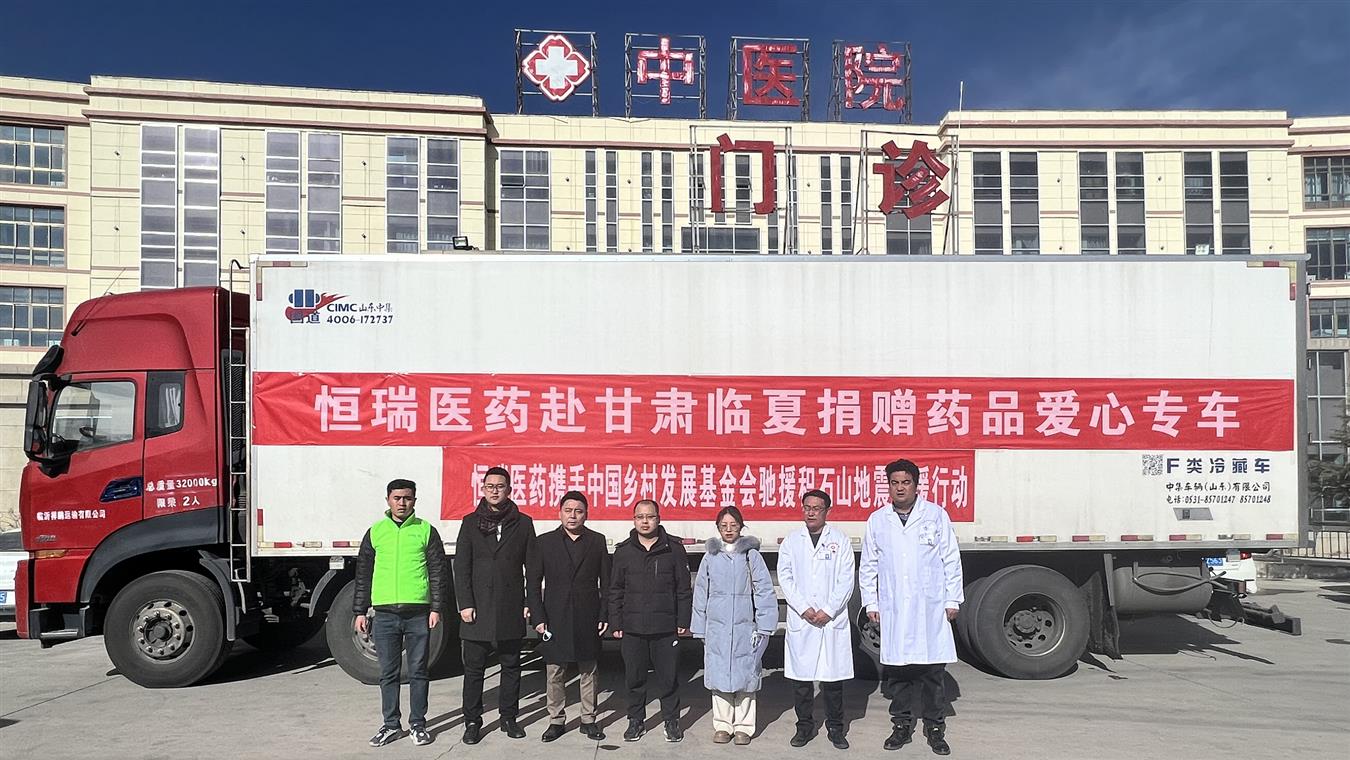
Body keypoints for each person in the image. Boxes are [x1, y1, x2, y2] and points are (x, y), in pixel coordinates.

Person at [859, 459, 964, 755]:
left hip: (929, 607)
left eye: (906, 482)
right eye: (894, 483)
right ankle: (901, 726)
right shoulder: (878, 520)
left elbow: (950, 558)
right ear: (888, 486)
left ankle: (934, 728)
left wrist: (952, 599)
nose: (900, 488)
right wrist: (871, 601)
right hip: (894, 608)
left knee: (932, 673)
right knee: (898, 673)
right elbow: (868, 565)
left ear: (916, 485)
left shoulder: (935, 515)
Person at [353, 478, 447, 748]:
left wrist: (436, 607)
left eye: (407, 498)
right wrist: (360, 611)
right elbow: (363, 574)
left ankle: (418, 724)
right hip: (384, 615)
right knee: (388, 673)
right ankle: (391, 725)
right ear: (388, 500)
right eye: (397, 498)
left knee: (418, 671)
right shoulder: (376, 532)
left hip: (418, 613)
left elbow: (438, 571)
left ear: (414, 501)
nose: (402, 503)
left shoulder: (425, 530)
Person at [453, 466, 537, 744]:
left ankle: (509, 718)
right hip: (477, 608)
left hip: (510, 606)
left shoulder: (523, 523)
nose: (495, 491)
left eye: (500, 486)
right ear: (483, 489)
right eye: (490, 486)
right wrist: (465, 603)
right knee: (474, 670)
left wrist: (529, 601)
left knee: (512, 666)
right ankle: (472, 721)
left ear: (509, 490)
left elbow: (532, 568)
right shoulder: (470, 522)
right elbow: (462, 567)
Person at [528, 490, 611, 742]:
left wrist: (604, 613)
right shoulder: (544, 542)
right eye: (568, 510)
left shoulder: (596, 541)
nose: (573, 516)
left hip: (588, 613)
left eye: (578, 511)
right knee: (555, 669)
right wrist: (538, 617)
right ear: (560, 513)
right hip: (555, 615)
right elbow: (533, 584)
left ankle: (589, 719)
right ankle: (556, 720)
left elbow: (606, 583)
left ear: (586, 514)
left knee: (589, 669)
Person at [690, 506, 777, 745]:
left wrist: (765, 625)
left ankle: (744, 727)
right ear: (718, 528)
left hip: (744, 628)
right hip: (717, 628)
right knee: (719, 677)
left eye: (733, 525)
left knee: (746, 677)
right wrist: (699, 626)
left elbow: (764, 590)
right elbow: (701, 592)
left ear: (741, 526)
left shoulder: (751, 556)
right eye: (724, 526)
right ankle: (722, 725)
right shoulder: (711, 557)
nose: (729, 530)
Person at [608, 499, 692, 743]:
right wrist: (616, 623)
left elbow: (683, 589)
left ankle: (671, 721)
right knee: (634, 679)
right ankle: (636, 721)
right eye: (640, 517)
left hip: (665, 628)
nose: (645, 522)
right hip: (633, 628)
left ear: (658, 518)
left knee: (669, 678)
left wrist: (683, 620)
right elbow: (615, 590)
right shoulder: (624, 551)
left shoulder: (673, 549)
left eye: (650, 516)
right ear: (634, 520)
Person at [778, 488, 855, 750]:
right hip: (803, 619)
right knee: (801, 680)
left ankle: (836, 728)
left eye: (817, 508)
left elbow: (846, 579)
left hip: (830, 620)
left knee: (832, 680)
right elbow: (785, 577)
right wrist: (803, 608)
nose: (811, 512)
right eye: (807, 508)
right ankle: (804, 726)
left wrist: (829, 610)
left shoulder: (840, 540)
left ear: (827, 511)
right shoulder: (792, 541)